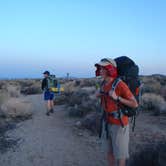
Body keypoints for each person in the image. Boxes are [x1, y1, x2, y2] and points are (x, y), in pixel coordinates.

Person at [95, 58, 138, 166]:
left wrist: (117, 98)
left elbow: (134, 104)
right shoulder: (103, 83)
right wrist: (98, 95)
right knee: (109, 151)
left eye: (103, 68)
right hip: (107, 121)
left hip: (119, 124)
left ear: (111, 69)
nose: (100, 70)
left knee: (120, 155)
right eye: (100, 68)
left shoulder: (120, 84)